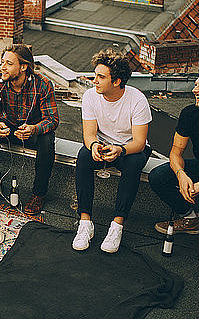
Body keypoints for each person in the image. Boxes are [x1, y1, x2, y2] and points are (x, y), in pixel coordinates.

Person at [72, 49, 152, 253]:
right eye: (95, 75)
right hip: (104, 145)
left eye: (101, 77)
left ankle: (117, 225)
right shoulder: (91, 96)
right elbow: (89, 135)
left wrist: (120, 150)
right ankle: (85, 222)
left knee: (134, 163)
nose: (94, 80)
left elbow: (140, 143)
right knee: (83, 156)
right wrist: (93, 146)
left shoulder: (137, 99)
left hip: (128, 148)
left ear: (116, 81)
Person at [0, 44, 59, 215]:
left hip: (29, 131)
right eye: (2, 62)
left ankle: (38, 194)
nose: (2, 67)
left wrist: (34, 128)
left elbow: (53, 119)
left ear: (23, 67)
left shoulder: (42, 84)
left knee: (48, 140)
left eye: (9, 63)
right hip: (6, 127)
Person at [148, 66, 199, 235]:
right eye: (196, 85)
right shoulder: (190, 113)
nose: (194, 89)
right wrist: (181, 175)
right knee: (158, 177)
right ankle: (190, 218)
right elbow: (175, 153)